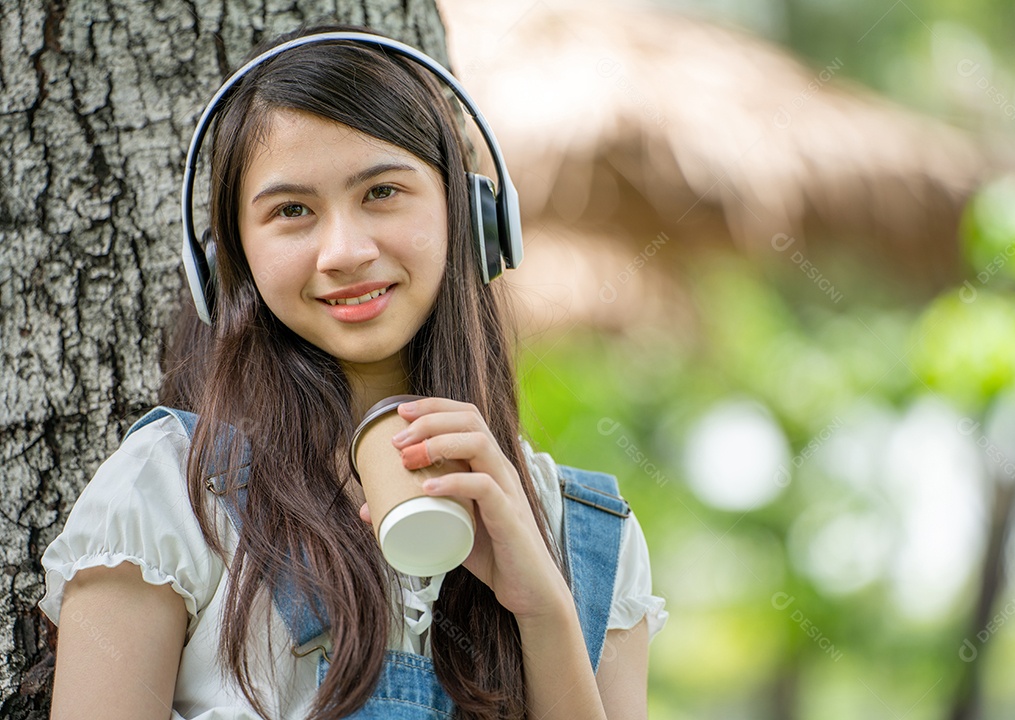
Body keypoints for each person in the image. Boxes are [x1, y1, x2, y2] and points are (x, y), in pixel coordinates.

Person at [39, 25, 667, 720]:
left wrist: (545, 610)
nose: (343, 250)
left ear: (473, 218)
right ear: (232, 262)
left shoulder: (582, 533)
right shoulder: (167, 497)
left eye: (381, 193)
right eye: (292, 211)